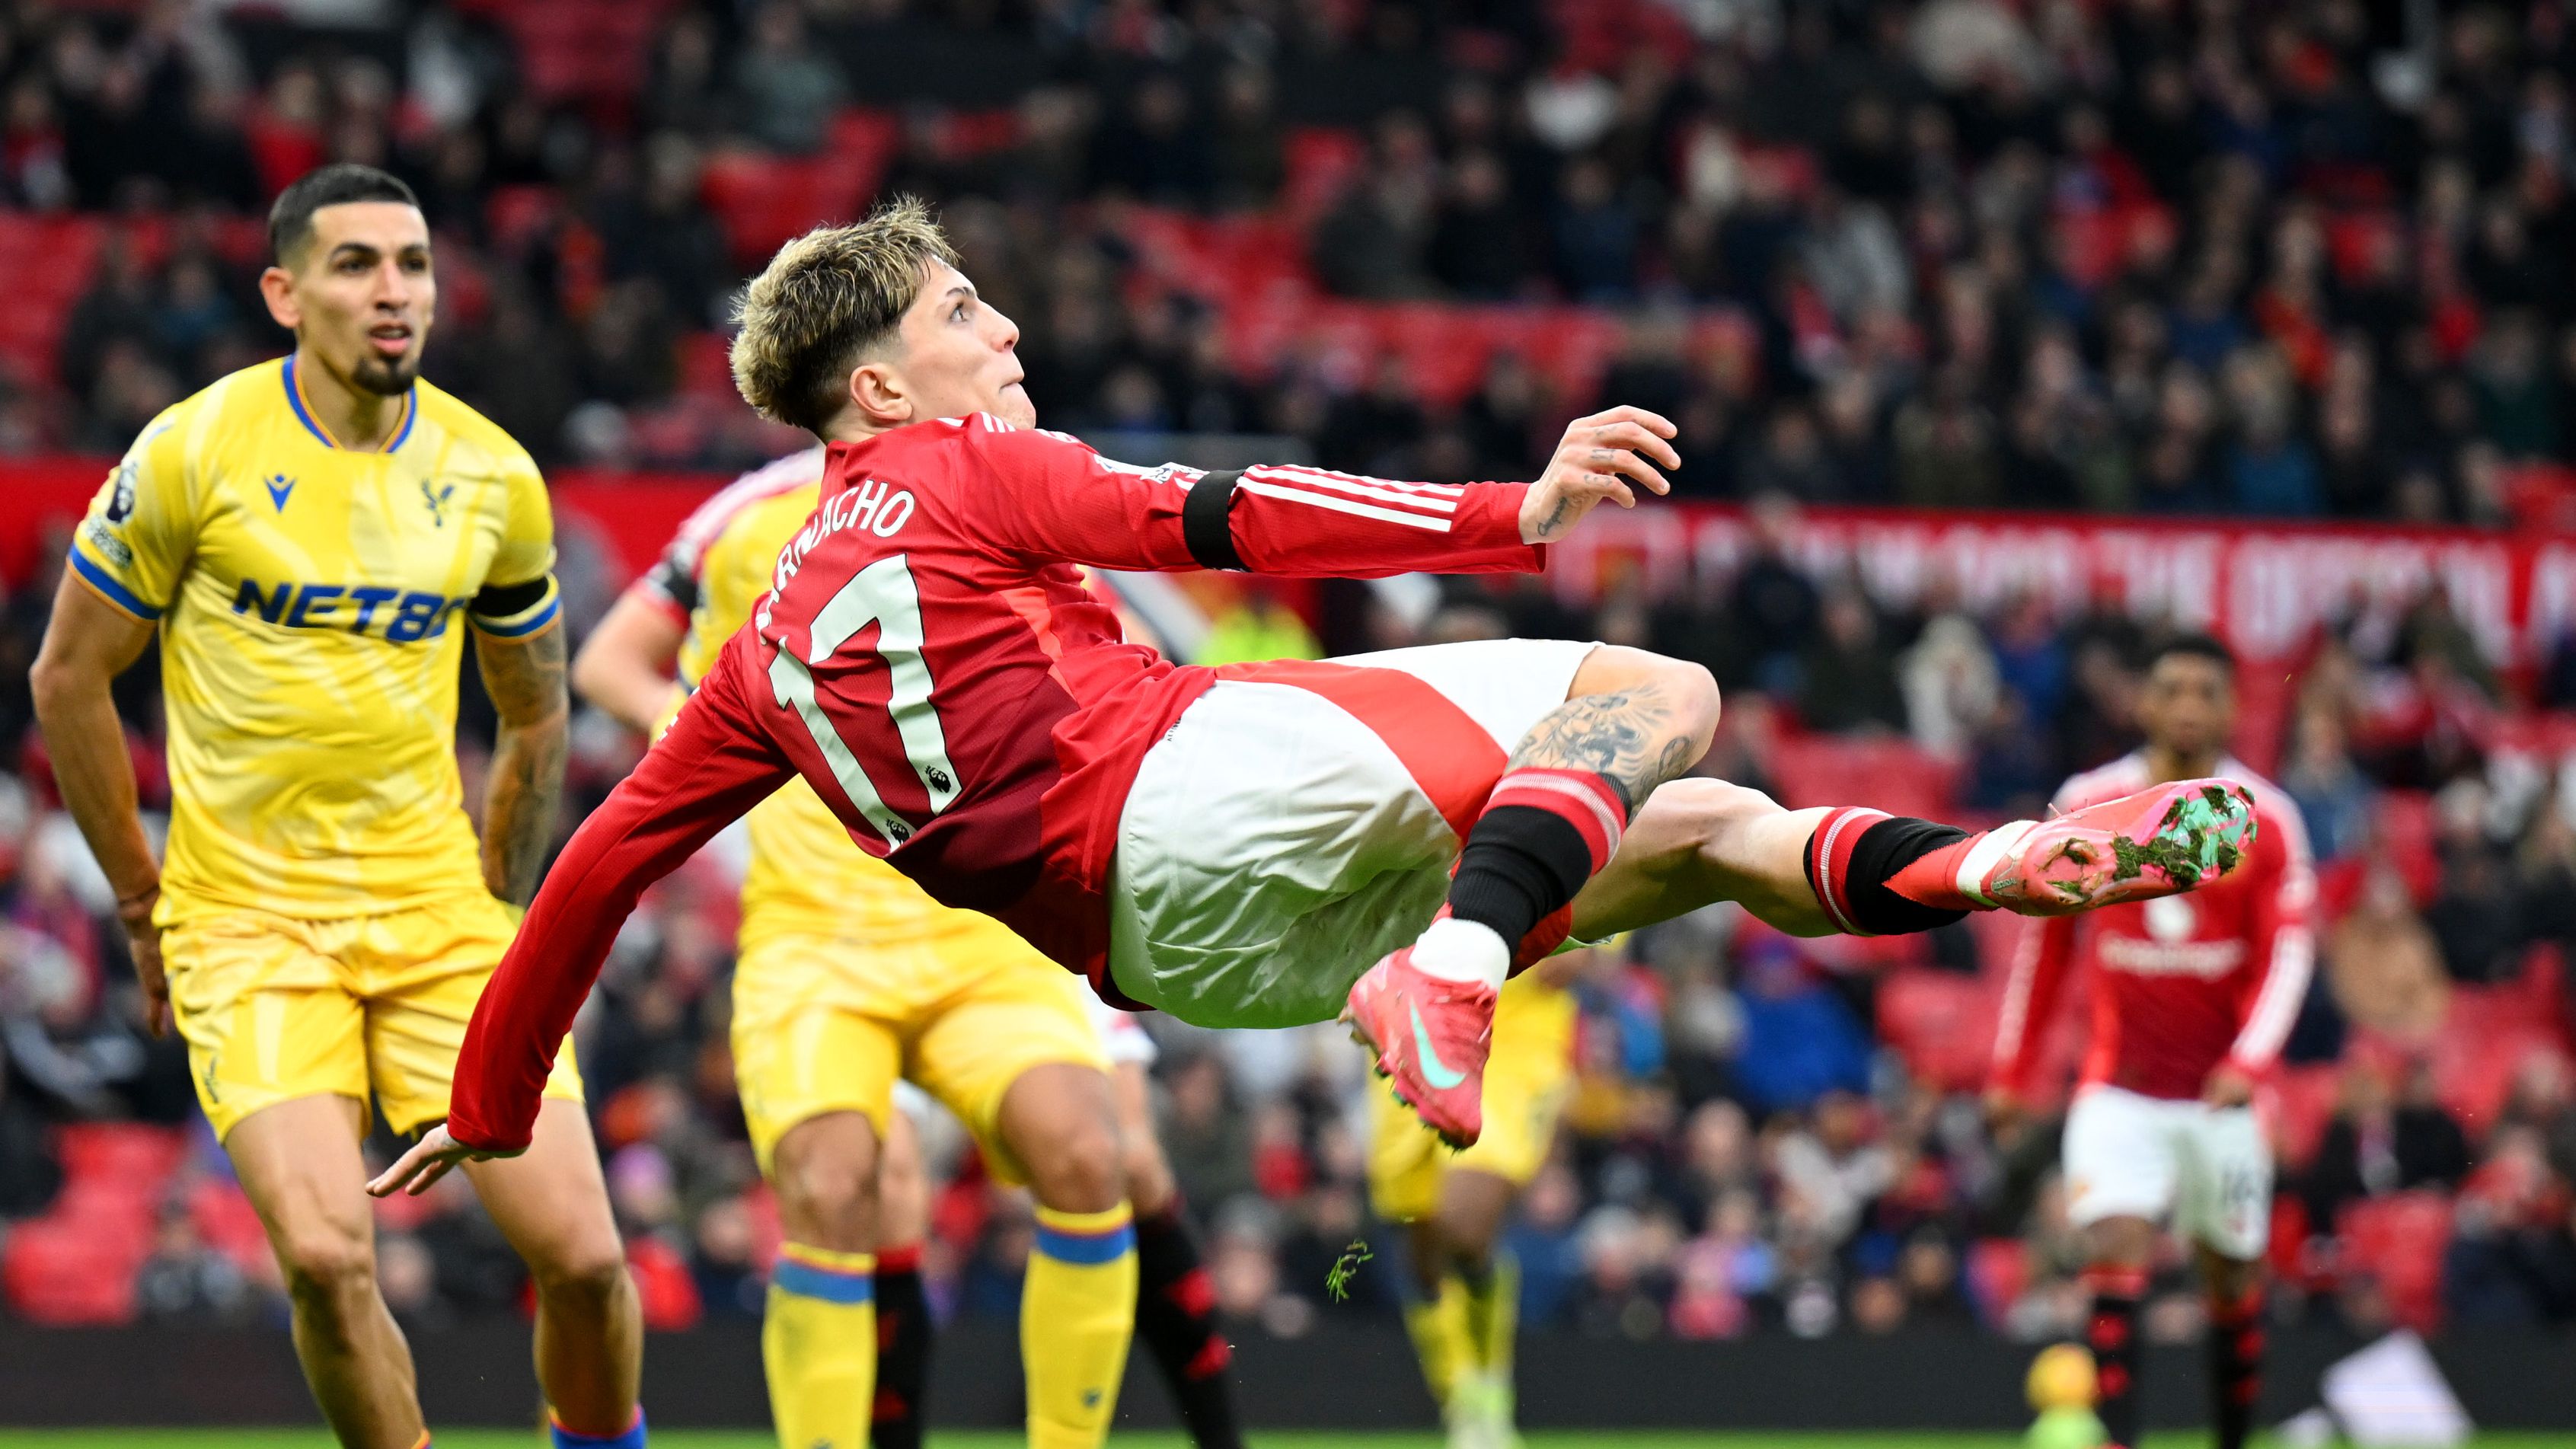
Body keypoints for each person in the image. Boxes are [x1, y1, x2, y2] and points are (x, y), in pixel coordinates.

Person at [375, 196, 2252, 1211]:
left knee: (1690, 831)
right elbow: (1223, 507)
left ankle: (2004, 859)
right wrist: (1506, 513)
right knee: (1651, 691)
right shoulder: (951, 476)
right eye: (964, 318)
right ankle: (1451, 968)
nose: (1001, 336)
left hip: (1175, 956)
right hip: (1185, 784)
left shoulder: (750, 656)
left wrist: (487, 1096)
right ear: (875, 389)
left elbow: (595, 874)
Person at [30, 164, 646, 1449]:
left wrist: (506, 901)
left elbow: (532, 710)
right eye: (357, 263)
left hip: (439, 914)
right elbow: (68, 675)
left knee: (586, 1259)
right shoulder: (193, 450)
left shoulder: (492, 476)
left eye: (413, 264)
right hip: (246, 922)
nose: (393, 292)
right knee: (323, 1255)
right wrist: (142, 907)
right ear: (283, 292)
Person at [571, 446, 1241, 1449]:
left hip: (987, 924)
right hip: (820, 935)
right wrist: (719, 743)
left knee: (1098, 1148)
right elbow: (607, 660)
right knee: (847, 1185)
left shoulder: (1004, 490)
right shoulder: (747, 515)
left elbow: (1136, 661)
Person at [1987, 634, 2316, 1449]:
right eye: (2170, 689)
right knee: (2111, 1251)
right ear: (2142, 702)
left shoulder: (2265, 818)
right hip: (2117, 1085)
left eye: (2205, 691)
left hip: (2219, 1094)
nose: (2186, 706)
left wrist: (2247, 1062)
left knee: (2230, 1279)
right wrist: (2012, 1069)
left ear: (2231, 708)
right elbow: (2045, 945)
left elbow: (2289, 947)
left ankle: (2233, 1438)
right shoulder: (2091, 800)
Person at [1371, 943, 1591, 1449]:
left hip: (1511, 1049)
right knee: (1419, 1236)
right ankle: (1463, 1396)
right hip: (1408, 1031)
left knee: (1462, 1226)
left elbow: (1579, 955)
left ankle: (1488, 1391)